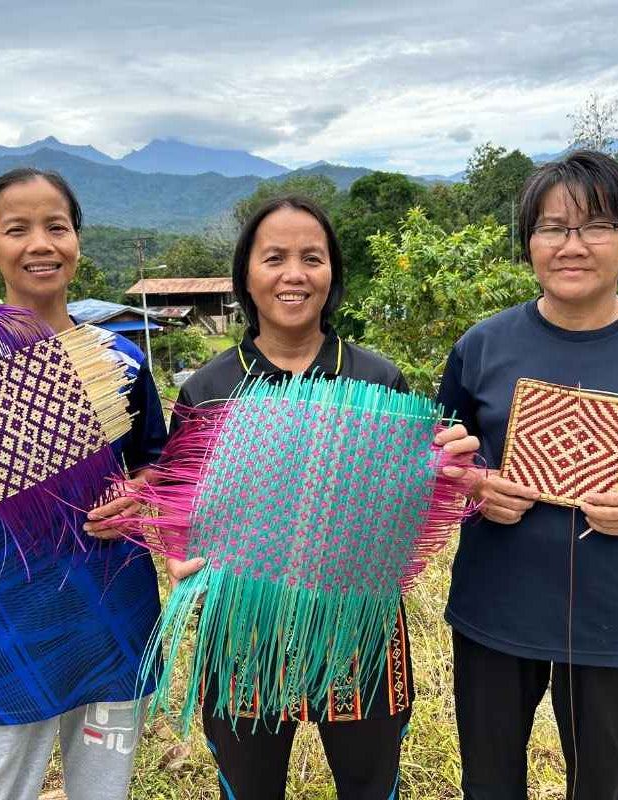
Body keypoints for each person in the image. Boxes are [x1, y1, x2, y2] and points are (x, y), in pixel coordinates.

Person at [165, 195, 479, 800]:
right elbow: (185, 508)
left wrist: (448, 473)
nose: (294, 274)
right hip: (242, 630)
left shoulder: (377, 380)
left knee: (368, 785)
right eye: (274, 257)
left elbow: (405, 507)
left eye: (312, 257)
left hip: (357, 627)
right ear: (246, 275)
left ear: (331, 272)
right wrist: (177, 554)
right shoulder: (208, 389)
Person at [0, 168, 167, 800]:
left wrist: (139, 497)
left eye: (57, 226)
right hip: (7, 630)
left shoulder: (117, 361)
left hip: (113, 621)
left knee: (105, 791)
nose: (40, 242)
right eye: (16, 229)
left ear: (77, 239)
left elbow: (155, 464)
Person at [437, 150, 618, 800]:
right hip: (494, 609)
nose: (572, 245)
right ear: (530, 244)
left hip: (614, 616)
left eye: (597, 226)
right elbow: (435, 452)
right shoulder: (482, 345)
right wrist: (474, 486)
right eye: (553, 227)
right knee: (489, 785)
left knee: (603, 788)